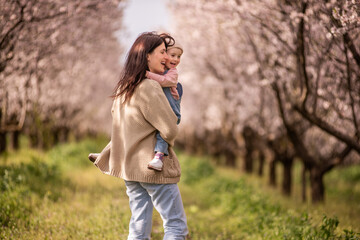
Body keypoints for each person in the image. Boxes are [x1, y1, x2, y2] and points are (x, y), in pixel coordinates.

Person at [90, 32, 188, 240]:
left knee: (139, 226)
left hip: (129, 169)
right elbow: (170, 129)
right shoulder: (150, 87)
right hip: (152, 168)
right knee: (175, 225)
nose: (167, 57)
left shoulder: (124, 88)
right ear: (147, 56)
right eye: (162, 52)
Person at [146, 42, 183, 172]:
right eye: (172, 55)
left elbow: (164, 81)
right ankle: (110, 152)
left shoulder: (172, 73)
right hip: (160, 109)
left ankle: (159, 158)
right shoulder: (159, 71)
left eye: (179, 57)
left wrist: (146, 74)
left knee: (162, 134)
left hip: (171, 111)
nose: (176, 59)